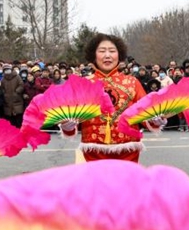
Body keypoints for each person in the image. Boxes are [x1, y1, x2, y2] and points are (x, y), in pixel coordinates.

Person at [61, 33, 147, 162]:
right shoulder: (83, 84)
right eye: (102, 51)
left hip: (128, 150)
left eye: (112, 51)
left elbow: (145, 111)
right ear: (94, 56)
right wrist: (67, 126)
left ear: (119, 55)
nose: (107, 55)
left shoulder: (132, 82)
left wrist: (155, 120)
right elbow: (73, 117)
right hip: (94, 151)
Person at [2, 64, 26, 128]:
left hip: (17, 99)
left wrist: (17, 92)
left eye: (8, 69)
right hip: (7, 100)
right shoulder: (3, 79)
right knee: (10, 118)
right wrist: (5, 94)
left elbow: (21, 85)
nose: (7, 71)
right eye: (5, 70)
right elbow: (2, 88)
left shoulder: (17, 77)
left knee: (18, 117)